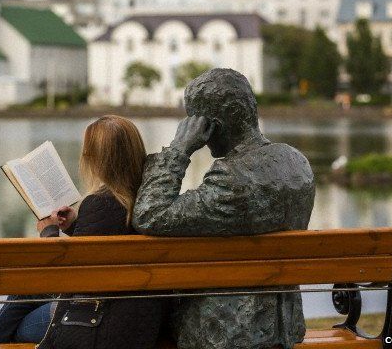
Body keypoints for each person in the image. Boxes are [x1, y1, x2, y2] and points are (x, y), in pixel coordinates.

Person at [133, 68, 315, 349]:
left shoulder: (231, 181)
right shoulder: (297, 163)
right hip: (284, 324)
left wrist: (179, 150)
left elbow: (150, 214)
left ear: (209, 125)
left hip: (228, 331)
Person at [0, 115, 164, 349]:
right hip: (140, 315)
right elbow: (103, 250)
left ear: (95, 159)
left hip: (98, 320)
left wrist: (49, 233)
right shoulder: (150, 201)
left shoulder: (100, 203)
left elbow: (65, 277)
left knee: (20, 313)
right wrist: (76, 225)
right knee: (25, 292)